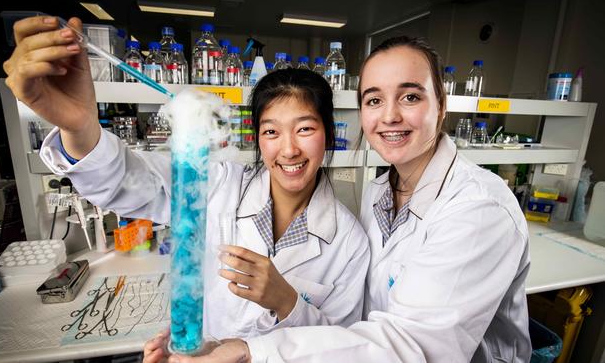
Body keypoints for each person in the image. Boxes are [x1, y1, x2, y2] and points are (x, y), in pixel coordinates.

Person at [143, 37, 532, 362]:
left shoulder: (478, 210)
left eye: (411, 97)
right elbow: (357, 332)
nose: (390, 116)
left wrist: (255, 347)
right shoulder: (380, 193)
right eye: (375, 100)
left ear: (441, 105)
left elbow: (414, 347)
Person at [3, 17, 370, 341]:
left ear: (327, 133)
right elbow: (124, 184)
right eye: (271, 132)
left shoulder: (350, 241)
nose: (288, 150)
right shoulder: (217, 185)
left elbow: (340, 346)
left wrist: (286, 300)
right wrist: (79, 127)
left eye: (305, 128)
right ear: (257, 138)